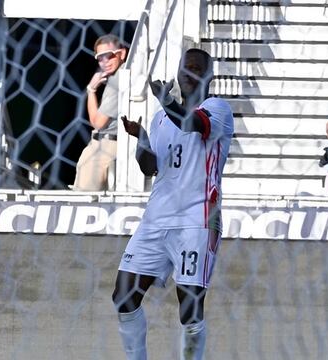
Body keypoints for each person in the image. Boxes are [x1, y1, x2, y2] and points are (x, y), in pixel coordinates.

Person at [112, 48, 234, 360]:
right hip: (156, 220)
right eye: (185, 67)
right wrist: (140, 137)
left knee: (189, 306)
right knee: (124, 297)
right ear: (178, 73)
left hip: (197, 219)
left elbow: (193, 124)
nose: (189, 73)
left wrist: (166, 101)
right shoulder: (159, 119)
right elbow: (151, 167)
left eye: (197, 68)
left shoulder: (217, 108)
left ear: (209, 76)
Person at [73, 34, 127, 191]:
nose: (104, 62)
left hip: (106, 146)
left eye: (108, 56)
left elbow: (97, 122)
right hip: (108, 144)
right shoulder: (119, 76)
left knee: (84, 202)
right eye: (100, 58)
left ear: (121, 53)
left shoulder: (117, 80)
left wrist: (91, 90)